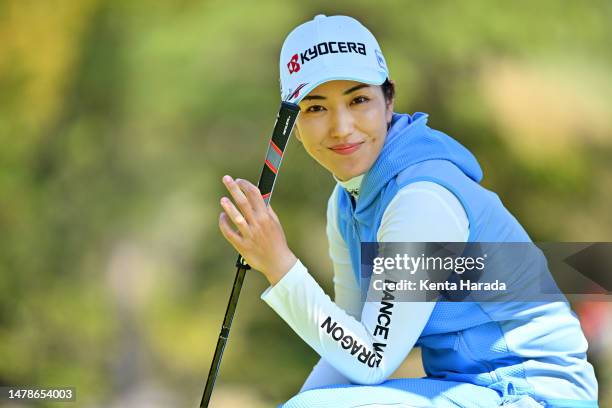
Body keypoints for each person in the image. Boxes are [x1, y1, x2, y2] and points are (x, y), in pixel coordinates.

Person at [218, 14, 599, 408]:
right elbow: (345, 346)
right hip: (470, 387)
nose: (341, 127)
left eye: (358, 100)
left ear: (389, 102)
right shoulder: (346, 202)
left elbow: (371, 360)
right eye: (316, 108)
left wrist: (277, 263)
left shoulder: (422, 199)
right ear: (293, 125)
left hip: (532, 393)